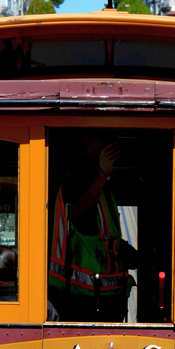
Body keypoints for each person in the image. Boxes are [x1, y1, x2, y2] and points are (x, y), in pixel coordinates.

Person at [48, 133, 137, 323]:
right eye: (104, 140)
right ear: (85, 140)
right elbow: (76, 213)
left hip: (101, 301)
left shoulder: (103, 187)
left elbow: (104, 239)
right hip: (80, 300)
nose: (112, 145)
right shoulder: (78, 180)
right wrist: (102, 174)